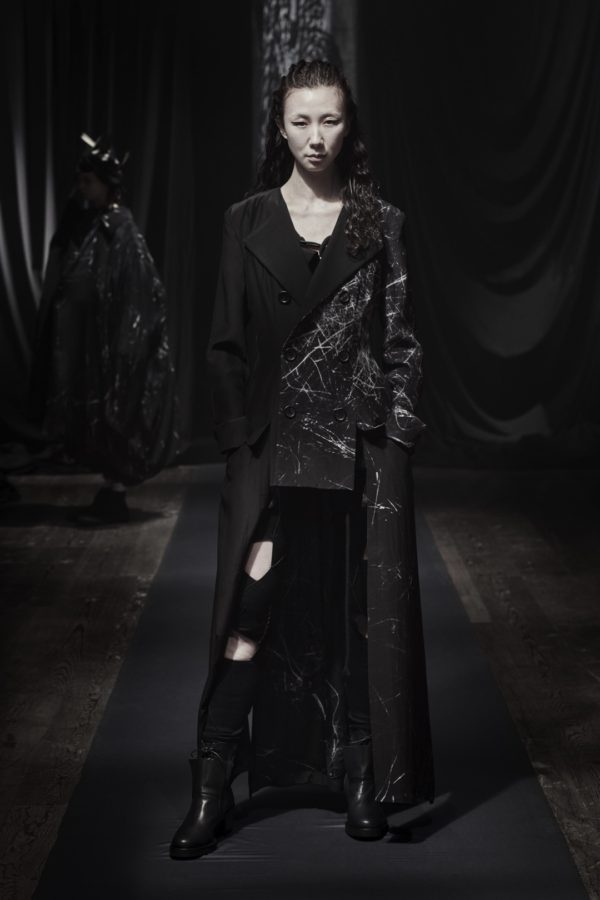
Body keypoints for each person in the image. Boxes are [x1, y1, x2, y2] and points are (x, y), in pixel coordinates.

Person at [170, 58, 434, 859]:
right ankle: (212, 783)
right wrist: (238, 446)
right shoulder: (245, 220)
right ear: (279, 127)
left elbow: (402, 341)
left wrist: (395, 435)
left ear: (349, 125)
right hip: (273, 454)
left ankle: (361, 776)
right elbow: (223, 347)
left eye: (330, 120)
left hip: (359, 452)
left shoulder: (379, 221)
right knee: (247, 617)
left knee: (360, 618)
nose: (316, 137)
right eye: (301, 121)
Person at [29, 134, 180, 524]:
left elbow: (139, 292)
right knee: (93, 416)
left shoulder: (121, 230)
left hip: (115, 347)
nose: (82, 189)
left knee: (115, 414)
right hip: (95, 344)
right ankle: (111, 489)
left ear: (106, 183)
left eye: (88, 182)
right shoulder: (93, 224)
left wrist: (125, 344)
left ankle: (115, 491)